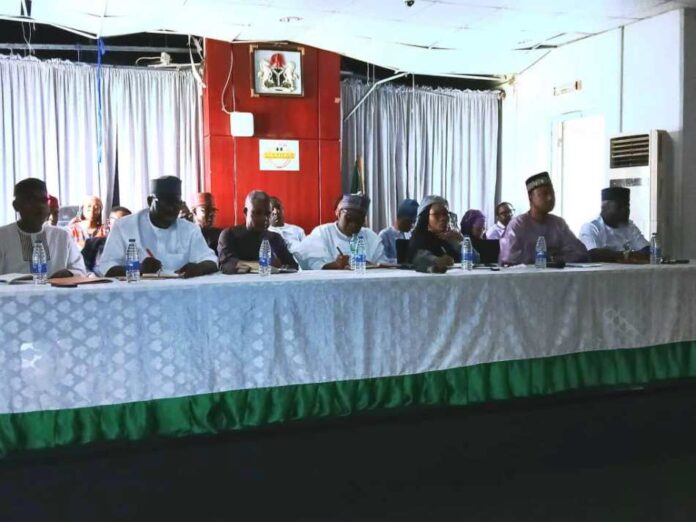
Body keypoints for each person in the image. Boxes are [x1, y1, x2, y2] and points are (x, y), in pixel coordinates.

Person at [97, 176, 218, 278]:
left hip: (180, 294)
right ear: (150, 201)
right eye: (166, 202)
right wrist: (136, 268)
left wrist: (199, 268)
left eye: (176, 203)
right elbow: (106, 266)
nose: (171, 208)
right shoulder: (124, 226)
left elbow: (211, 260)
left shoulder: (190, 229)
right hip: (135, 295)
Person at [0, 178, 85, 277]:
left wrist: (69, 274)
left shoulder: (62, 236)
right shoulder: (3, 237)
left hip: (57, 292)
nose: (39, 206)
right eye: (31, 200)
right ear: (16, 206)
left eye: (43, 200)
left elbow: (80, 270)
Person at [499, 172, 588, 265]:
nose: (550, 198)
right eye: (544, 194)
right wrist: (546, 258)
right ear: (530, 197)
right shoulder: (517, 225)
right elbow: (508, 259)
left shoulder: (558, 224)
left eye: (552, 193)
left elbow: (579, 253)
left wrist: (557, 258)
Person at [294, 193, 387, 270]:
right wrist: (335, 265)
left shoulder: (370, 236)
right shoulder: (322, 232)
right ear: (339, 214)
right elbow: (309, 262)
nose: (353, 224)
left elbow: (382, 265)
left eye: (359, 220)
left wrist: (371, 265)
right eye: (349, 218)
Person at [218, 190, 297, 274]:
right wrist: (263, 265)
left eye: (267, 214)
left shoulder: (275, 238)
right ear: (245, 212)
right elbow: (227, 265)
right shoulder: (229, 234)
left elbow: (293, 266)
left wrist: (244, 264)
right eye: (258, 213)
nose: (264, 218)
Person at [579, 187, 649, 263]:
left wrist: (619, 255)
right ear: (605, 207)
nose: (626, 210)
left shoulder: (630, 227)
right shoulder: (591, 227)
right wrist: (628, 255)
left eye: (627, 206)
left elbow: (647, 250)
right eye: (620, 207)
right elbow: (593, 254)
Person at [407, 195, 463, 273]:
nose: (443, 218)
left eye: (445, 214)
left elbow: (475, 260)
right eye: (436, 214)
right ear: (426, 217)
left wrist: (461, 241)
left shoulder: (449, 237)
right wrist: (437, 261)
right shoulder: (419, 237)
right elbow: (420, 258)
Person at [378, 198, 419, 264]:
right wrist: (401, 261)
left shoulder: (410, 235)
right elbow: (381, 260)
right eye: (410, 221)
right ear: (400, 217)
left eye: (414, 222)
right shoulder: (385, 235)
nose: (412, 225)